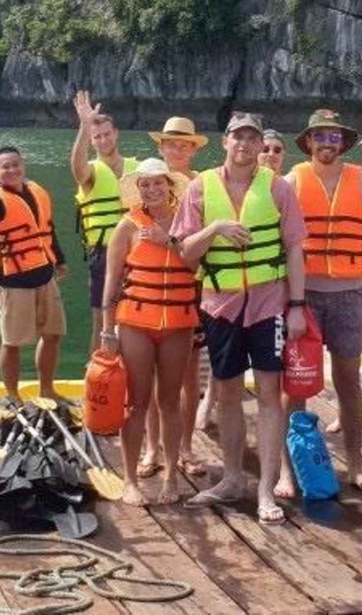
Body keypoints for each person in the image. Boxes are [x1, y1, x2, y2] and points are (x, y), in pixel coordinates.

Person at [173, 112, 307, 524]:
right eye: (238, 137)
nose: (245, 145)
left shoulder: (279, 187)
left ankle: (265, 488)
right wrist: (214, 228)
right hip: (221, 306)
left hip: (269, 303)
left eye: (252, 138)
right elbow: (185, 252)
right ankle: (233, 478)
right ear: (225, 142)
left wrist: (298, 306)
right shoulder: (200, 187)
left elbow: (296, 249)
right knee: (228, 392)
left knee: (270, 392)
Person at [277, 109, 362, 497]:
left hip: (350, 294)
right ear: (308, 142)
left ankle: (355, 467)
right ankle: (287, 472)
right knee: (297, 386)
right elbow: (286, 246)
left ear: (343, 143)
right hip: (306, 296)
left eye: (333, 137)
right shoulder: (292, 181)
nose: (326, 144)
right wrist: (291, 302)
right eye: (319, 137)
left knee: (349, 382)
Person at [101, 158, 197, 506]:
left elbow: (196, 263)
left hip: (178, 324)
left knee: (169, 401)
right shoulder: (126, 226)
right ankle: (129, 480)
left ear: (170, 185)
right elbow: (111, 280)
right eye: (145, 184)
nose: (152, 190)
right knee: (136, 403)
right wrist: (106, 330)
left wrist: (167, 239)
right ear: (137, 189)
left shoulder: (187, 222)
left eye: (158, 183)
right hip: (135, 323)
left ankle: (172, 474)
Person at [139, 116, 211, 480]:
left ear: (194, 149)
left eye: (184, 144)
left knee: (188, 375)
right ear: (161, 147)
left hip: (190, 286)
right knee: (152, 375)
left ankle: (184, 448)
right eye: (170, 143)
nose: (177, 149)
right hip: (150, 290)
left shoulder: (203, 185)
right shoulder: (146, 184)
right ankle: (152, 448)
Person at [0, 140, 69, 401]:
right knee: (12, 342)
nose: (12, 170)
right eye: (5, 167)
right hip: (13, 281)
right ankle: (13, 395)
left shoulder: (37, 191)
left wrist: (59, 259)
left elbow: (46, 230)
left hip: (44, 276)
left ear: (23, 165)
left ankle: (46, 389)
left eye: (16, 165)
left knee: (52, 334)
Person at [70, 91, 137, 352]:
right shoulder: (90, 171)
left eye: (107, 133)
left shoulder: (136, 167)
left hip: (137, 251)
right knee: (101, 318)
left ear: (116, 133)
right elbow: (76, 168)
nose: (103, 139)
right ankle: (98, 375)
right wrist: (84, 127)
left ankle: (130, 372)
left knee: (134, 316)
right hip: (103, 252)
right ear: (92, 141)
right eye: (97, 136)